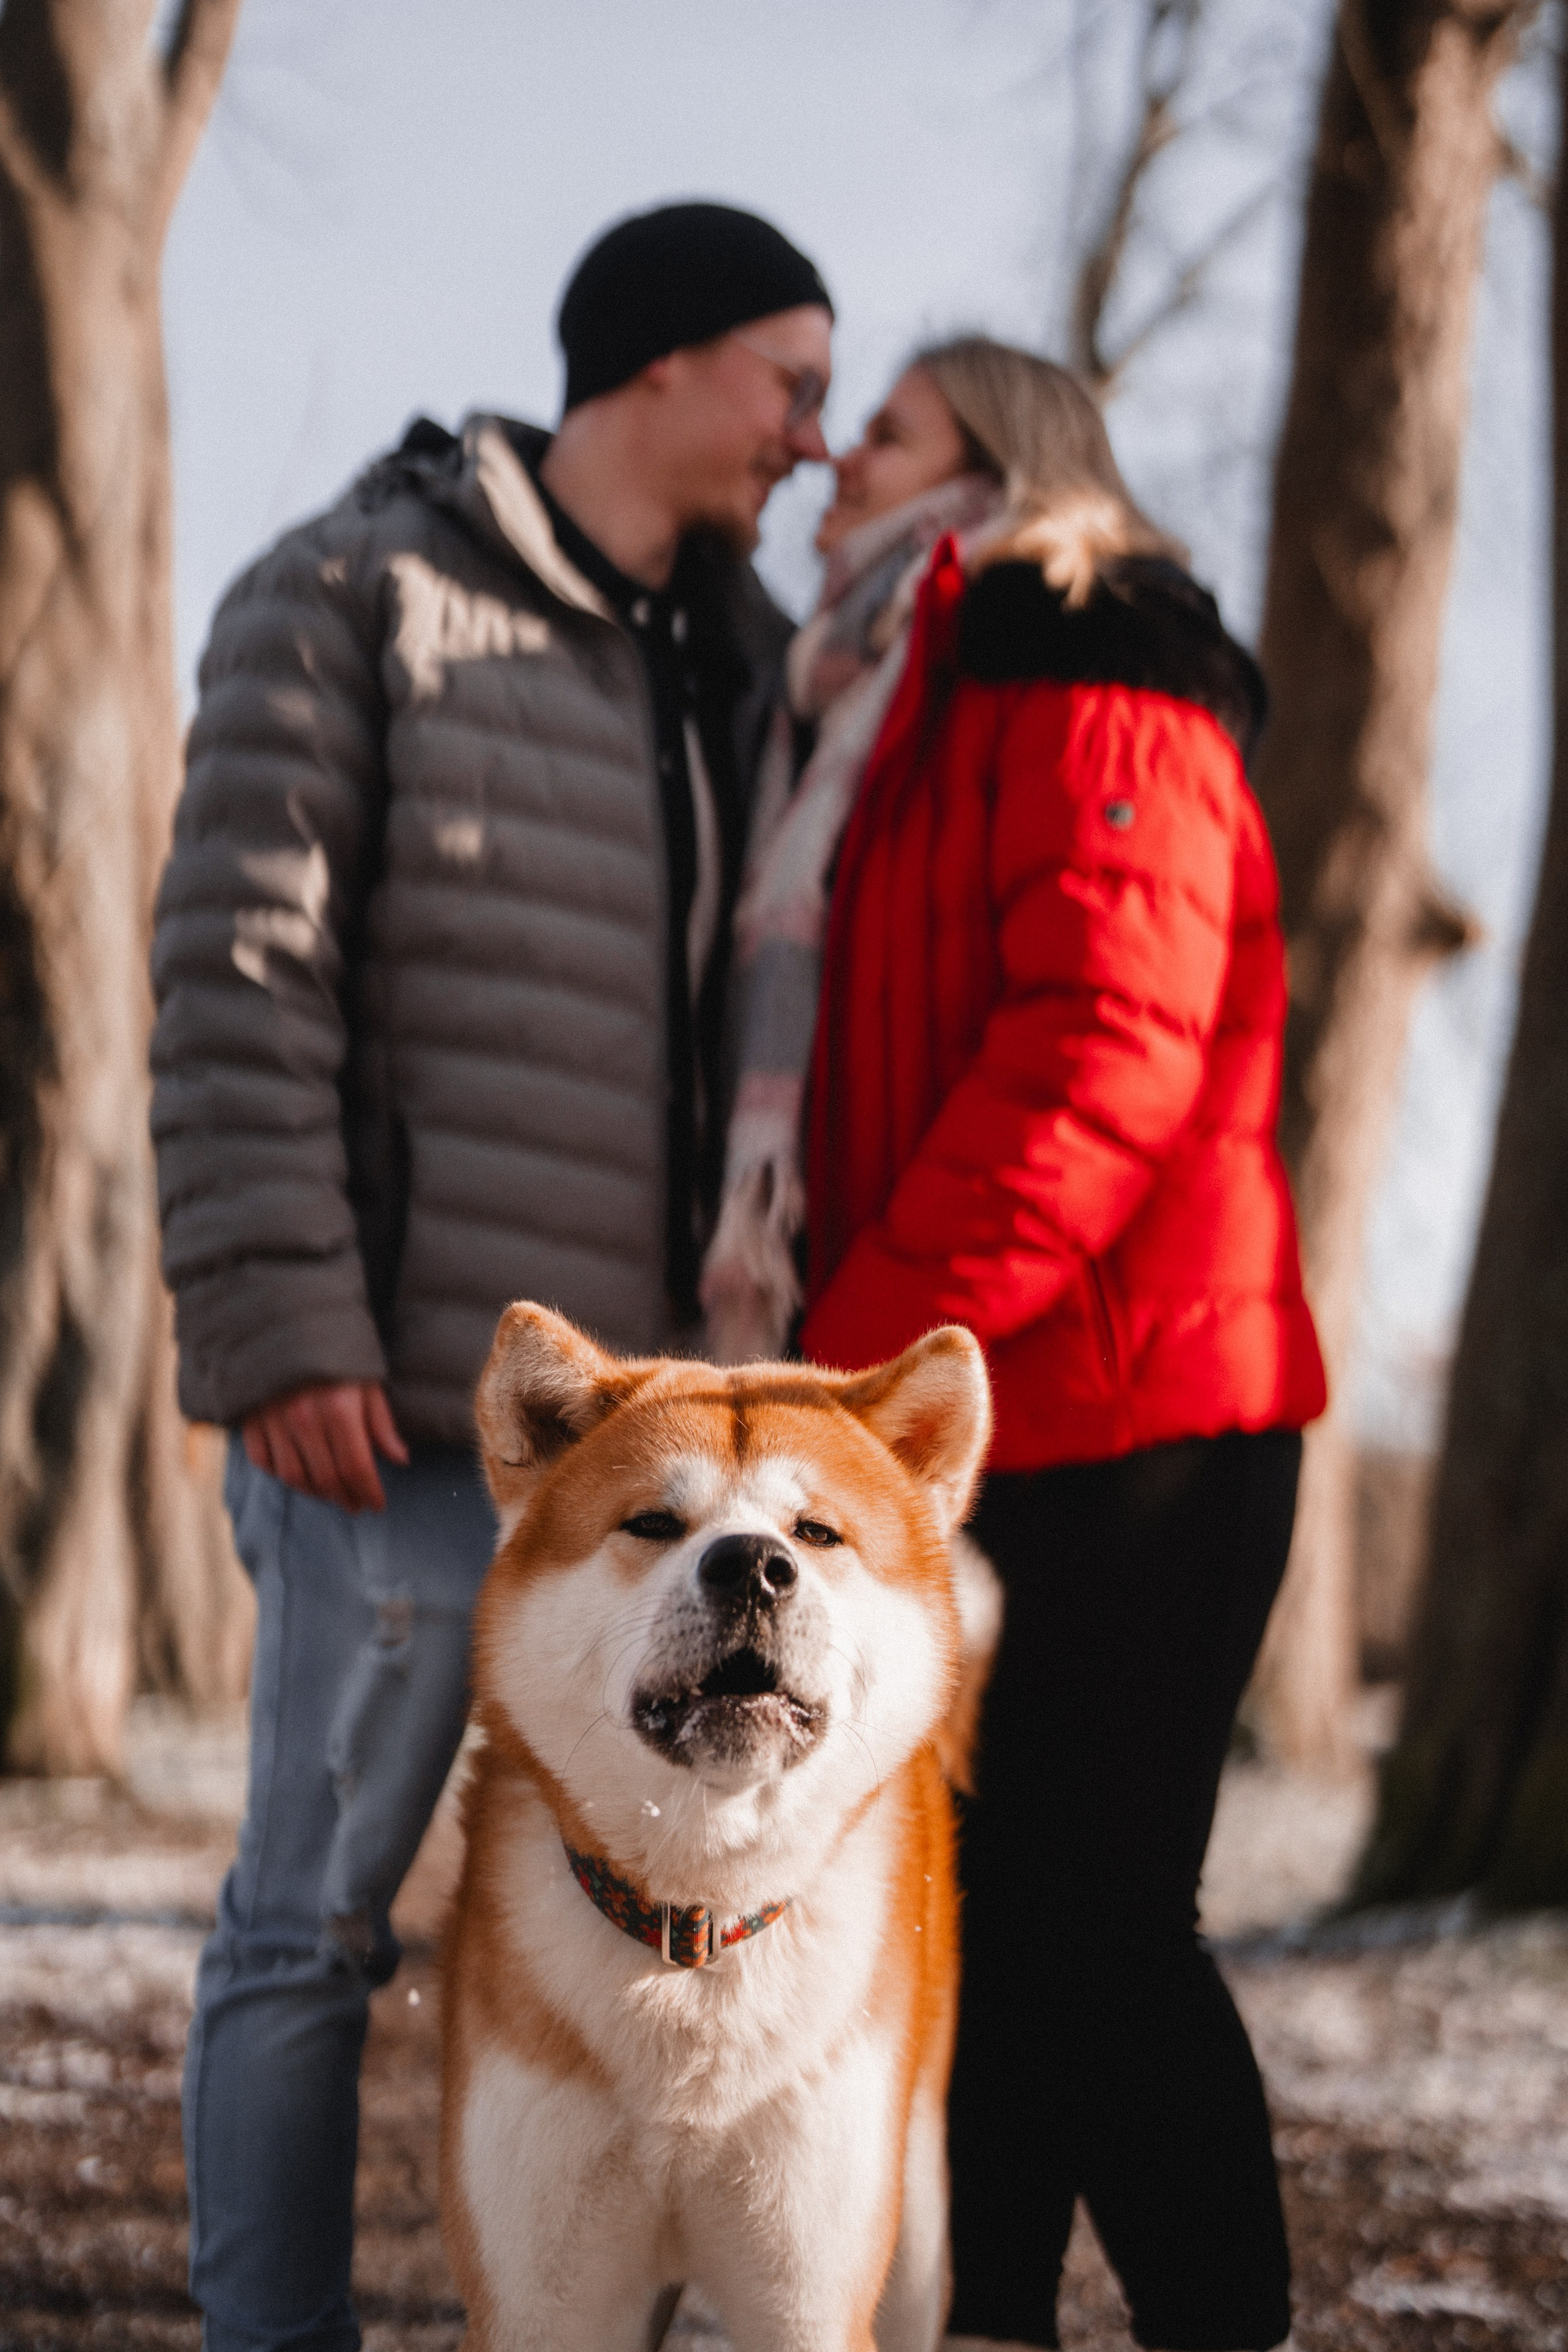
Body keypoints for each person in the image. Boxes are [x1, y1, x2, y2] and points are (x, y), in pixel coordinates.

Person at [150, 200, 833, 2352]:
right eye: (789, 381)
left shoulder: (745, 662)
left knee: (631, 1942)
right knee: (314, 1929)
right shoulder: (360, 594)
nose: (811, 437)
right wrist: (283, 1318)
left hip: (652, 1477)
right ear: (656, 363)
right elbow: (240, 971)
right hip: (396, 1416)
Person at [714, 336, 1327, 2351]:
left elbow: (1103, 1048)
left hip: (1141, 1413)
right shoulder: (892, 699)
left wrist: (860, 1353)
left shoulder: (1092, 648)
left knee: (1095, 1930)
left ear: (993, 463)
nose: (827, 466)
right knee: (981, 1929)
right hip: (1000, 1413)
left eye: (875, 430)